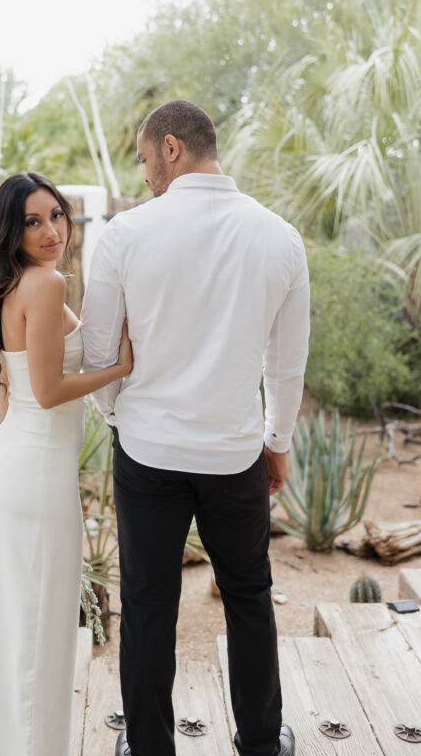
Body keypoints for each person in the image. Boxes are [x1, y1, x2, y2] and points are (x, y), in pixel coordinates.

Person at [81, 100, 310, 756]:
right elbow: (284, 364)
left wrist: (120, 415)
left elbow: (100, 354)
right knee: (247, 593)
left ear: (173, 147)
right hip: (235, 455)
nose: (144, 172)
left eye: (145, 156)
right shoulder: (279, 237)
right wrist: (277, 442)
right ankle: (263, 742)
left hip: (147, 452)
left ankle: (148, 746)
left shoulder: (124, 236)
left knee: (148, 604)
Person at [0, 171, 132, 756]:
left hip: (15, 465)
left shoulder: (15, 283)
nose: (52, 230)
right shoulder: (46, 284)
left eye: (56, 214)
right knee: (39, 624)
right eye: (33, 221)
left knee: (14, 616)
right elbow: (49, 391)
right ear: (12, 230)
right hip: (35, 474)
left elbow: (10, 391)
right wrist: (122, 367)